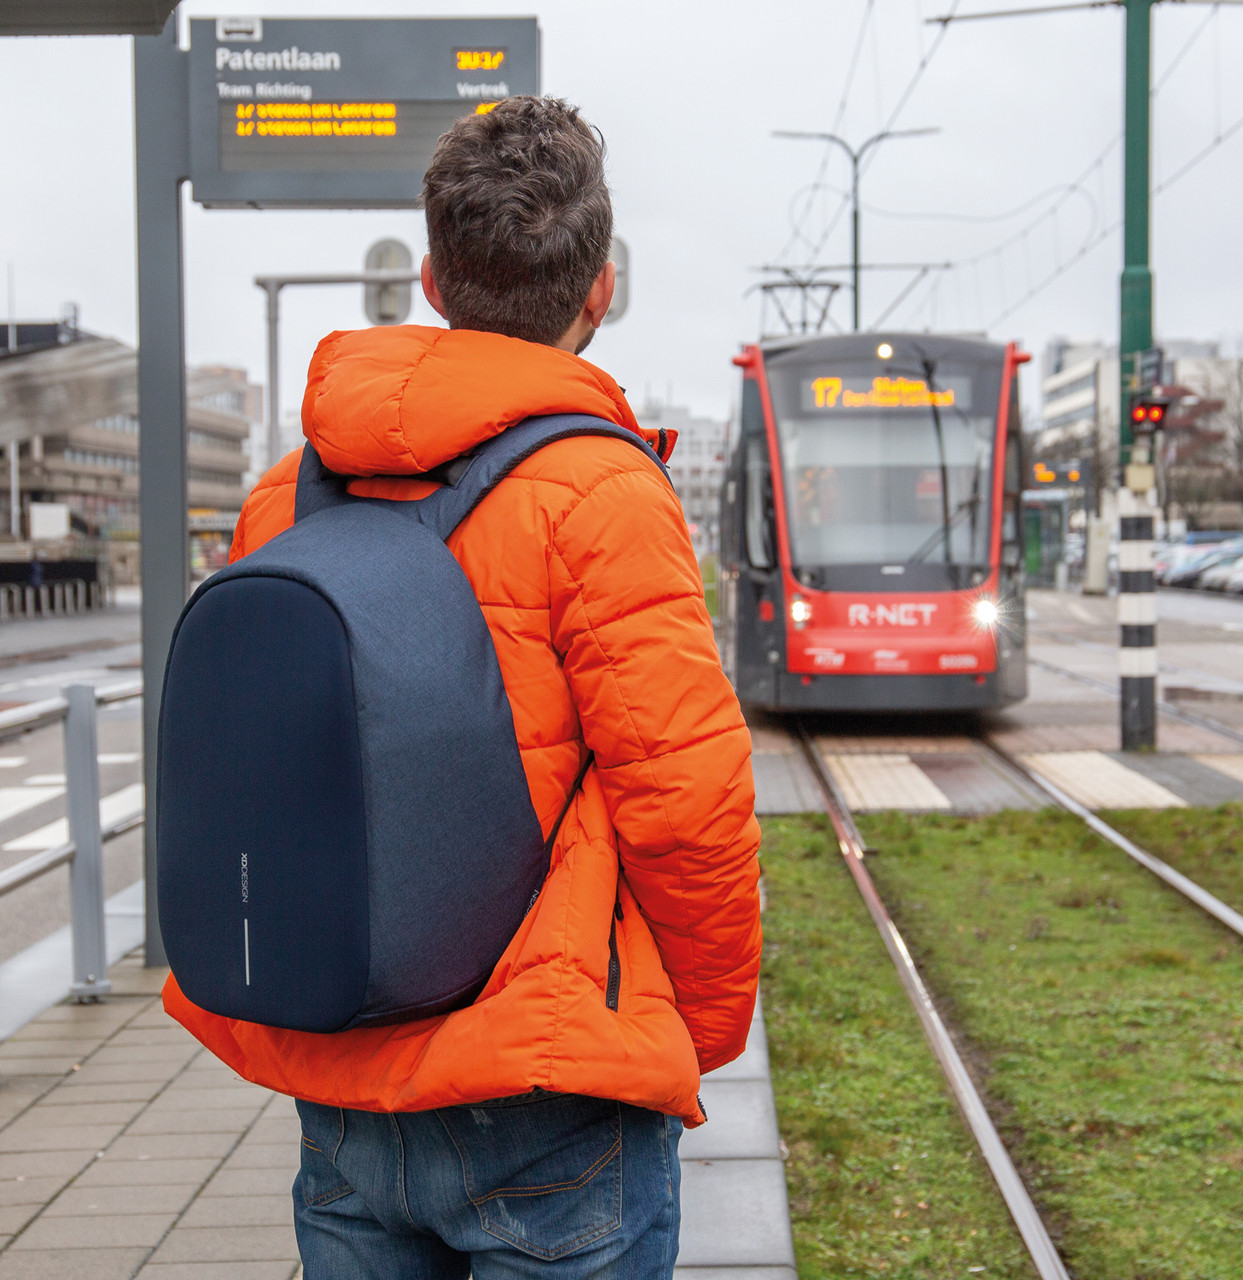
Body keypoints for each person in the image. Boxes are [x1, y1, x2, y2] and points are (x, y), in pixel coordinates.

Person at [163, 95, 761, 1279]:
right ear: (599, 290)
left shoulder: (288, 491)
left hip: (344, 1074)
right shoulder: (600, 488)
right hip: (546, 1094)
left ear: (431, 281)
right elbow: (684, 799)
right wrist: (692, 1028)